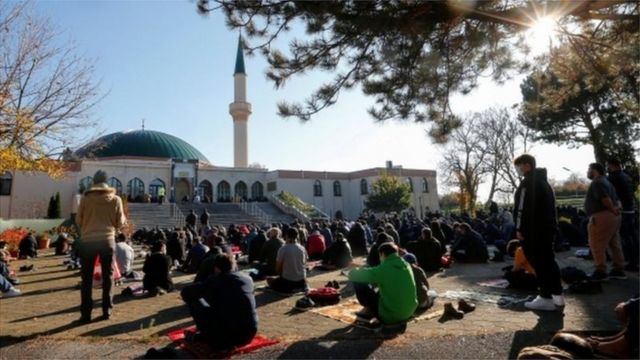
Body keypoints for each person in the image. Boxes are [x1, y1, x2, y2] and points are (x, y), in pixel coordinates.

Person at [512, 154, 564, 311]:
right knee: (549, 262)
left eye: (519, 166)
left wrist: (519, 228)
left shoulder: (527, 184)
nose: (518, 169)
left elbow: (521, 209)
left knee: (539, 264)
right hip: (546, 230)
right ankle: (558, 297)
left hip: (532, 232)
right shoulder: (544, 183)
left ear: (527, 165)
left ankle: (545, 297)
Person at [76, 170, 126, 322]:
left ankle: (86, 315)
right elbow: (120, 222)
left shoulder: (85, 198)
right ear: (107, 181)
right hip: (107, 240)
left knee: (86, 279)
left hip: (89, 241)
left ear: (94, 181)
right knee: (108, 277)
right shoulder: (115, 199)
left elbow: (79, 220)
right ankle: (106, 311)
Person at [181, 254, 258, 351]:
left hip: (225, 338)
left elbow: (186, 292)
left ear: (217, 268)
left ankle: (207, 335)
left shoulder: (215, 280)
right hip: (249, 334)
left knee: (195, 301)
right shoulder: (248, 279)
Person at [348, 243, 417, 324]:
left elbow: (353, 275)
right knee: (382, 288)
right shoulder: (406, 264)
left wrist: (355, 269)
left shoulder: (384, 269)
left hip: (392, 316)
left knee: (358, 280)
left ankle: (368, 310)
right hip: (409, 312)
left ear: (383, 254)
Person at [585, 163, 626, 281]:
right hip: (614, 217)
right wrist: (617, 209)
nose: (587, 172)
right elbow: (617, 200)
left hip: (602, 216)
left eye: (589, 169)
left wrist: (612, 209)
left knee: (596, 244)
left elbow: (604, 198)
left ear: (595, 170)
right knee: (614, 244)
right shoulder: (608, 182)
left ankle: (601, 271)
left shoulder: (597, 182)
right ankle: (618, 270)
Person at [607, 159, 638, 272]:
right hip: (630, 210)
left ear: (612, 165)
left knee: (625, 238)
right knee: (633, 237)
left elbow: (610, 194)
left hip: (622, 211)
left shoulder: (613, 177)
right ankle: (635, 260)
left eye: (608, 166)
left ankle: (631, 262)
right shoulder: (626, 176)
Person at [267, 227, 308, 293]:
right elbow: (304, 264)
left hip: (288, 281)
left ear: (286, 236)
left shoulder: (283, 249)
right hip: (301, 281)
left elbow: (277, 269)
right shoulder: (302, 248)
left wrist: (281, 276)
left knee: (269, 279)